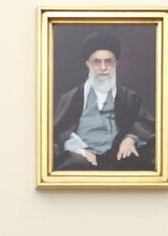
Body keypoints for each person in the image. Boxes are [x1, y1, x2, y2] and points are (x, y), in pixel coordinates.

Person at [52, 32, 156, 171]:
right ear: (88, 64)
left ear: (116, 64)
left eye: (108, 61)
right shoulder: (72, 97)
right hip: (84, 157)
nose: (103, 68)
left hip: (120, 156)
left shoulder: (129, 97)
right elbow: (59, 132)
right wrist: (79, 150)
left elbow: (146, 124)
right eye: (97, 62)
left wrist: (130, 138)